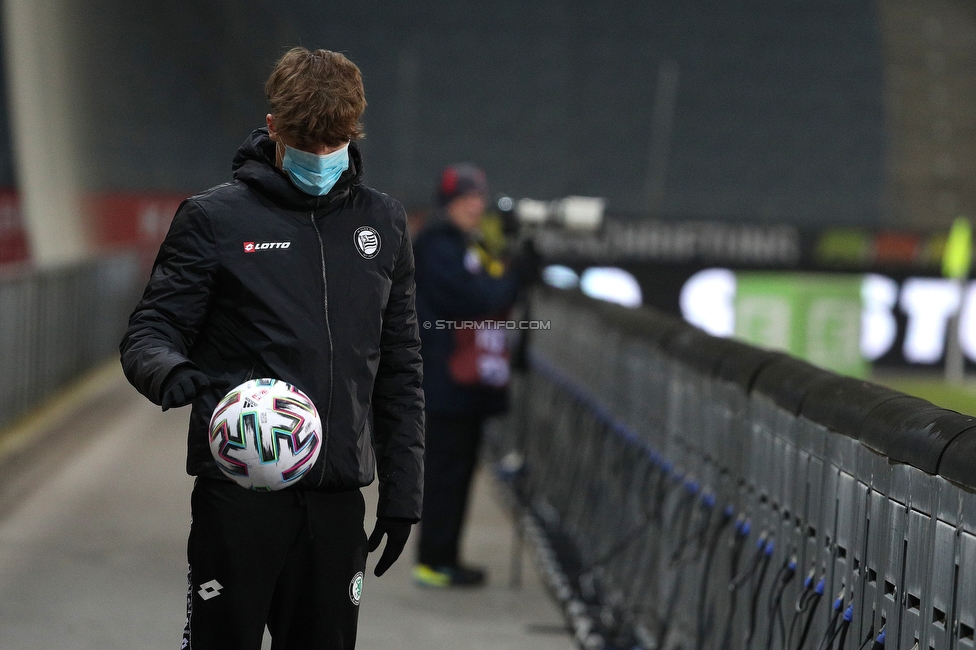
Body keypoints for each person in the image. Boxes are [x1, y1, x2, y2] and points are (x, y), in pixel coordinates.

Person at [119, 47, 424, 650]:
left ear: (353, 132)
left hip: (336, 498)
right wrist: (167, 369)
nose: (319, 156)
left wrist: (403, 494)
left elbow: (401, 369)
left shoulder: (384, 225)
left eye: (332, 141)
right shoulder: (214, 219)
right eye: (306, 142)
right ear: (274, 129)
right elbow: (149, 331)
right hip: (238, 499)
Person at [411, 163, 523, 587]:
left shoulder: (463, 244)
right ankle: (433, 560)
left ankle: (445, 557)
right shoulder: (438, 246)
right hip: (444, 380)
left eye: (479, 197)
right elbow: (474, 297)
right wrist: (514, 277)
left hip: (461, 383)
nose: (475, 206)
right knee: (444, 473)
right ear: (447, 204)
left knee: (457, 473)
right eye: (465, 198)